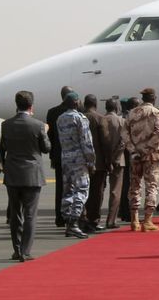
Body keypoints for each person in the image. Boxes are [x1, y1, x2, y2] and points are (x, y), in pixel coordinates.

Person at [1, 91, 51, 261]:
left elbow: (3, 148)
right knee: (30, 214)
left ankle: (16, 249)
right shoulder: (38, 125)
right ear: (31, 106)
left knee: (15, 213)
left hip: (13, 173)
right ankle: (26, 250)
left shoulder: (6, 125)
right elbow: (46, 148)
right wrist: (45, 131)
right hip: (32, 174)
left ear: (17, 105)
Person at [122, 88, 159, 232]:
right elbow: (158, 134)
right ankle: (147, 220)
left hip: (135, 156)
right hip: (151, 156)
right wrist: (146, 150)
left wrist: (134, 150)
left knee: (134, 186)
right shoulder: (157, 113)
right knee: (151, 186)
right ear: (154, 98)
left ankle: (134, 220)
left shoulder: (132, 113)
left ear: (143, 98)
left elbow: (124, 133)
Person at [58, 92, 95, 239]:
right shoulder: (80, 118)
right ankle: (73, 223)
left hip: (66, 158)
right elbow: (86, 142)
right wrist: (91, 161)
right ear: (75, 103)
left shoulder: (60, 119)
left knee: (68, 191)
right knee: (81, 190)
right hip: (79, 160)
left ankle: (68, 223)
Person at [46, 86, 74, 227]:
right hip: (74, 157)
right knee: (74, 187)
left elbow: (50, 137)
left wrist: (52, 156)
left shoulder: (52, 112)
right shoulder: (77, 113)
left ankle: (60, 217)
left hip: (58, 156)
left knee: (60, 188)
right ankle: (72, 217)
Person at [83, 94, 107, 232]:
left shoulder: (80, 118)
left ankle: (83, 219)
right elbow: (105, 142)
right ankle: (93, 220)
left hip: (82, 162)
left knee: (83, 191)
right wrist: (109, 160)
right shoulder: (100, 118)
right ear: (96, 104)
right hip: (98, 163)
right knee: (97, 193)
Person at [101, 98, 126, 229]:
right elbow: (123, 142)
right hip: (118, 161)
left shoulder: (101, 119)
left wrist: (106, 159)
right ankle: (111, 220)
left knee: (99, 190)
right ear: (117, 108)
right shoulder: (121, 121)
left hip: (102, 160)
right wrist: (115, 159)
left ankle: (94, 219)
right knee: (115, 191)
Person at [118, 97, 142, 222]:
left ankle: (123, 211)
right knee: (130, 184)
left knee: (124, 183)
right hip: (130, 153)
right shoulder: (132, 119)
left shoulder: (121, 118)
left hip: (123, 154)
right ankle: (128, 213)